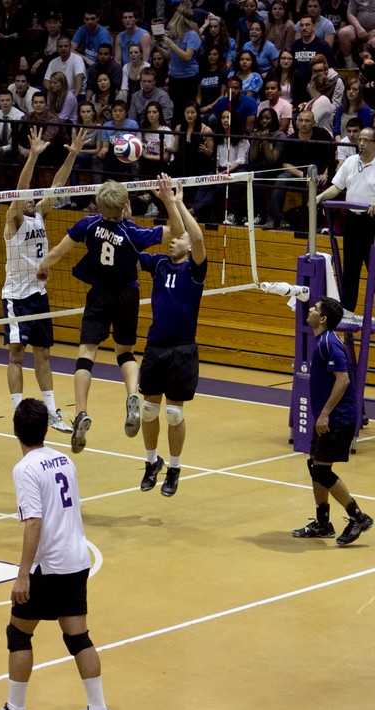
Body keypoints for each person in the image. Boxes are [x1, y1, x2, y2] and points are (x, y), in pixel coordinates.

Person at [0, 398, 115, 710]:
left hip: (49, 565)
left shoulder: (25, 469)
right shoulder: (62, 458)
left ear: (15, 430)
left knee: (19, 632)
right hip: (77, 560)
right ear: (46, 428)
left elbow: (34, 522)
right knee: (78, 636)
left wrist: (23, 573)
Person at [36, 179, 178, 454]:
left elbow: (56, 252)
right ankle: (132, 396)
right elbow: (175, 231)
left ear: (99, 206)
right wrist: (168, 202)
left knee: (86, 354)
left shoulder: (88, 224)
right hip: (127, 295)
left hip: (99, 296)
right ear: (125, 205)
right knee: (125, 353)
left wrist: (43, 268)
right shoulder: (133, 232)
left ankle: (81, 413)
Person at [2, 128, 84, 434]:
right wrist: (34, 155)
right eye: (28, 197)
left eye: (35, 197)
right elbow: (21, 189)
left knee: (44, 354)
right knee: (15, 355)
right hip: (16, 298)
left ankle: (50, 410)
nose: (32, 199)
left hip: (39, 295)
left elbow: (58, 184)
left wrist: (73, 152)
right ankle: (17, 412)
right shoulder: (14, 219)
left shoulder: (39, 216)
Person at [138, 176, 206, 497]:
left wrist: (175, 201)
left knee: (173, 412)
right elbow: (133, 251)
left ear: (189, 247)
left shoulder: (194, 270)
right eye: (172, 239)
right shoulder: (159, 264)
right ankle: (152, 462)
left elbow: (193, 234)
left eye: (180, 240)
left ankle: (175, 468)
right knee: (148, 410)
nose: (173, 240)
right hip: (156, 346)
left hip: (181, 350)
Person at [290, 297, 373, 546]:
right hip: (325, 418)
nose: (310, 310)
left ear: (323, 318)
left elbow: (343, 380)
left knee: (322, 470)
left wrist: (325, 413)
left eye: (315, 308)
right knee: (314, 465)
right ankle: (323, 523)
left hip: (337, 419)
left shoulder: (329, 343)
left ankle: (358, 517)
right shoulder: (322, 341)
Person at [315, 127, 375, 322]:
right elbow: (337, 187)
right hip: (352, 218)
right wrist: (319, 196)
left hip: (374, 220)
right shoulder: (351, 162)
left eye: (366, 140)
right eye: (360, 140)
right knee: (351, 265)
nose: (361, 143)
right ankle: (348, 307)